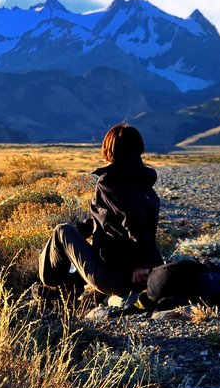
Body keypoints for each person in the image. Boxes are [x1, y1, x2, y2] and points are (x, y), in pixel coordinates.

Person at [37, 122, 162, 301]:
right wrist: (78, 234)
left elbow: (135, 223)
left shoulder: (110, 181)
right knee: (71, 233)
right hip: (147, 274)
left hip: (117, 277)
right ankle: (70, 286)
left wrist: (140, 265)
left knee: (62, 230)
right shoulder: (144, 182)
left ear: (110, 149)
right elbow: (109, 218)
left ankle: (50, 284)